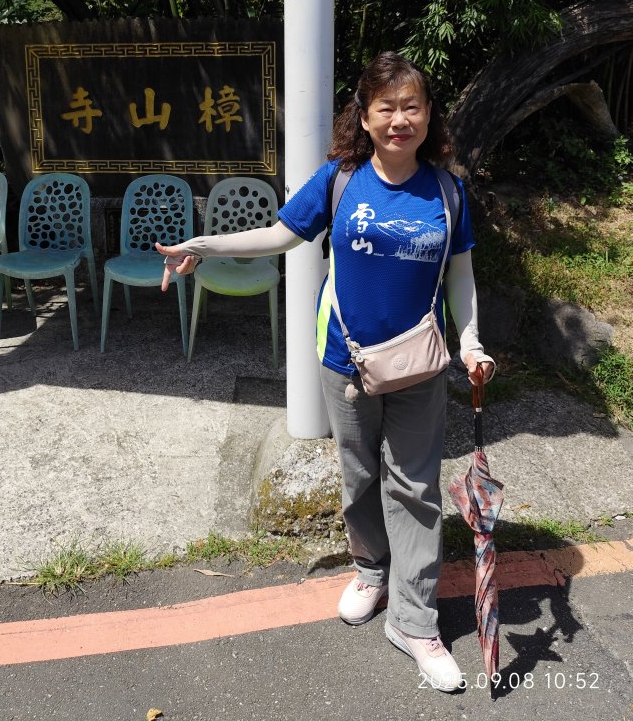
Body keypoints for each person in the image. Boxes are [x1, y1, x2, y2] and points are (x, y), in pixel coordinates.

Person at [156, 51, 495, 693]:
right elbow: (280, 235)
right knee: (360, 471)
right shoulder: (340, 181)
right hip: (343, 358)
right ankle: (371, 568)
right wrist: (204, 245)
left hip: (420, 367)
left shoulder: (447, 192)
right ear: (364, 117)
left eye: (412, 107)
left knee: (416, 489)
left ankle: (415, 622)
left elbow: (461, 278)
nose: (400, 120)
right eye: (386, 108)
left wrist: (472, 342)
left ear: (429, 116)